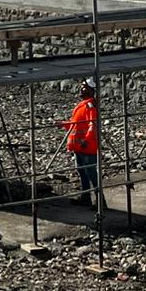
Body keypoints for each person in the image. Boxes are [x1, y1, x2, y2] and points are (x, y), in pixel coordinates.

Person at [62, 78, 101, 206]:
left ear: (91, 90)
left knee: (91, 173)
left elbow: (93, 125)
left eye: (84, 87)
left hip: (86, 146)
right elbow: (76, 125)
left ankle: (100, 201)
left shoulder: (90, 106)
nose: (81, 89)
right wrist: (63, 124)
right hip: (79, 147)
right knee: (82, 171)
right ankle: (86, 197)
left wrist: (86, 140)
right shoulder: (82, 105)